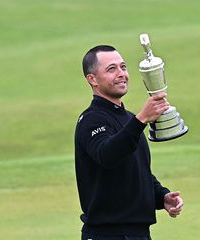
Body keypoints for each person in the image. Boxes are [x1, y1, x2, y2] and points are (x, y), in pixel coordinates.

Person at [74, 45, 184, 240]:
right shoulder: (91, 120)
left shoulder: (129, 119)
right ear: (92, 79)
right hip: (106, 235)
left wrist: (161, 197)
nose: (121, 74)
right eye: (111, 69)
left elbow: (137, 170)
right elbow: (108, 156)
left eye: (123, 67)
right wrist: (141, 120)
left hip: (138, 234)